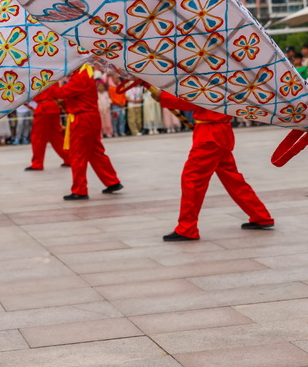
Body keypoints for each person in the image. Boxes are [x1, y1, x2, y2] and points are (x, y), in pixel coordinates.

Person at [152, 88, 273, 240]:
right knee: (233, 179)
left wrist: (163, 96)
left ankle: (187, 227)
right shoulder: (227, 76)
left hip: (209, 134)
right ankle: (260, 216)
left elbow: (193, 98)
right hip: (219, 130)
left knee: (192, 179)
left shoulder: (212, 77)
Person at [48, 65, 124, 200]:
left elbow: (61, 93)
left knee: (78, 155)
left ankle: (80, 190)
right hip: (89, 118)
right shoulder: (84, 74)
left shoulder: (80, 77)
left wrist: (50, 82)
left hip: (83, 120)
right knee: (96, 153)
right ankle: (112, 181)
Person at [23, 85, 69, 171]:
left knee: (38, 137)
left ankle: (37, 163)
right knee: (57, 137)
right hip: (54, 106)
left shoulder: (37, 76)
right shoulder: (53, 76)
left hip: (43, 107)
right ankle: (68, 159)